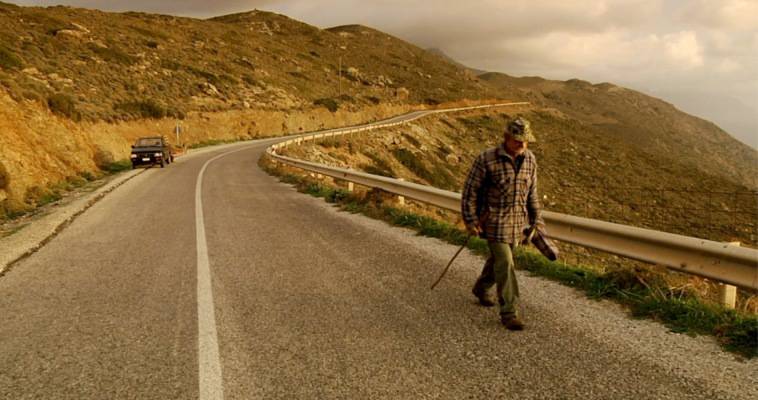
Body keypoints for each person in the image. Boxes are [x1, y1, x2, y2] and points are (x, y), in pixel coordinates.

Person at [461, 117, 543, 330]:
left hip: (518, 224)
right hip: (494, 222)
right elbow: (470, 193)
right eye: (517, 140)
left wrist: (536, 221)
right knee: (506, 262)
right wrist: (470, 220)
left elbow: (532, 194)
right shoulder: (486, 159)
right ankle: (509, 312)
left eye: (526, 141)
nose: (522, 145)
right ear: (506, 137)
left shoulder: (530, 160)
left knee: (499, 261)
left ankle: (481, 287)